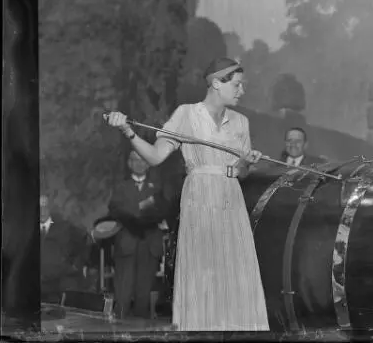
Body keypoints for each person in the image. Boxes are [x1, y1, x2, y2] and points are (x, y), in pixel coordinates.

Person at [105, 57, 269, 331]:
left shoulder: (241, 122)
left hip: (231, 200)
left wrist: (245, 164)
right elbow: (156, 156)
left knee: (234, 270)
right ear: (217, 83)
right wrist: (127, 130)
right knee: (204, 272)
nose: (242, 91)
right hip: (201, 199)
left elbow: (241, 174)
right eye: (237, 85)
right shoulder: (187, 114)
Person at [108, 150, 172, 319]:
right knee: (123, 295)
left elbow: (162, 212)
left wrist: (137, 213)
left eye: (143, 160)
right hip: (127, 245)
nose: (139, 163)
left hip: (150, 245)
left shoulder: (157, 189)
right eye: (135, 160)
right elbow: (115, 211)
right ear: (129, 164)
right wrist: (142, 209)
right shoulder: (120, 188)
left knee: (143, 296)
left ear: (148, 164)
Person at [40, 195, 91, 303]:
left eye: (44, 206)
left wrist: (77, 265)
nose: (42, 210)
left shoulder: (65, 227)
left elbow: (84, 241)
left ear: (49, 208)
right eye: (39, 207)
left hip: (60, 282)